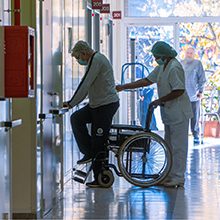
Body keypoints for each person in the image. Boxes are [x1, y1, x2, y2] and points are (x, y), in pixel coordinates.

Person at [116, 41, 193, 187]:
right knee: (169, 146)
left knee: (178, 147)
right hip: (170, 113)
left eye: (156, 56)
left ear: (164, 55)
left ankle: (178, 177)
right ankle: (169, 175)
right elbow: (146, 81)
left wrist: (158, 100)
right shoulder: (163, 67)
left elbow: (179, 90)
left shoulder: (174, 67)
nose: (155, 58)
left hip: (179, 112)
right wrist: (123, 87)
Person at [63, 41, 119, 188]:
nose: (78, 60)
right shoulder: (94, 61)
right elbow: (87, 86)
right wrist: (72, 103)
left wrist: (71, 103)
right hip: (96, 105)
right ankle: (88, 152)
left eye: (77, 57)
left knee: (98, 141)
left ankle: (100, 176)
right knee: (76, 118)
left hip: (105, 106)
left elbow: (85, 84)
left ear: (84, 53)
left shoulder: (97, 60)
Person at [181, 47, 206, 144]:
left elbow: (202, 78)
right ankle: (183, 135)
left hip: (194, 95)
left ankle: (195, 135)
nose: (189, 55)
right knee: (182, 117)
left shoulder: (197, 63)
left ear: (194, 54)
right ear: (185, 53)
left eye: (191, 53)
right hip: (182, 96)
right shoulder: (181, 63)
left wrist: (200, 91)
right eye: (188, 53)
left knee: (195, 117)